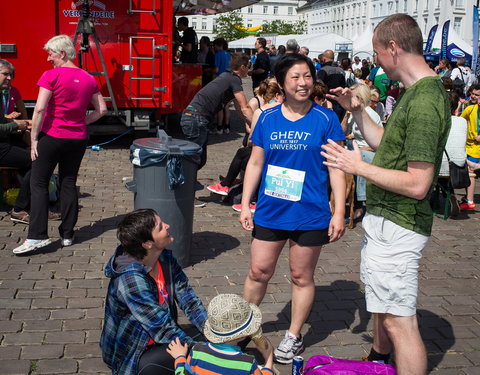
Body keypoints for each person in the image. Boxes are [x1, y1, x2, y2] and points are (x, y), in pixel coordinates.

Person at [322, 14, 450, 375]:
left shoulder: (424, 101)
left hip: (399, 225)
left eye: (378, 51)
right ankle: (380, 361)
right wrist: (359, 112)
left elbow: (418, 183)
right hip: (388, 223)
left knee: (399, 323)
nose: (376, 59)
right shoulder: (416, 92)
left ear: (393, 47)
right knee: (386, 311)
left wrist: (356, 166)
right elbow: (385, 145)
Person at [239, 53, 346, 364]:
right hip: (272, 209)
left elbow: (337, 168)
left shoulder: (326, 119)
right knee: (258, 271)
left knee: (301, 276)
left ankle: (293, 336)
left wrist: (338, 211)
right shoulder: (267, 118)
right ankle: (245, 327)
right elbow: (255, 163)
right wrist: (246, 204)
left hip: (311, 212)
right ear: (282, 83)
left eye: (307, 76)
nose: (303, 83)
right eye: (296, 77)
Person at [13, 35, 107, 255]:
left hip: (52, 136)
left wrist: (34, 138)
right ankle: (67, 234)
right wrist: (82, 121)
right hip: (77, 138)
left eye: (50, 54)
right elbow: (101, 110)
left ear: (62, 53)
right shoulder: (88, 78)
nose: (48, 58)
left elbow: (39, 109)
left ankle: (37, 236)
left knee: (38, 183)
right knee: (68, 181)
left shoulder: (51, 76)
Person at [100, 209, 208, 375]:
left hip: (161, 338)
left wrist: (211, 330)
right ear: (147, 244)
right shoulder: (130, 280)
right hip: (136, 351)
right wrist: (206, 353)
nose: (167, 225)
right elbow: (162, 327)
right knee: (210, 356)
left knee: (230, 336)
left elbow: (188, 300)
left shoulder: (164, 258)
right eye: (160, 227)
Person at [180, 53, 254, 201]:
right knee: (195, 160)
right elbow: (245, 106)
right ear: (242, 67)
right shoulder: (234, 79)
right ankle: (185, 194)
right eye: (249, 67)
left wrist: (249, 125)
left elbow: (239, 109)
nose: (249, 70)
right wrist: (259, 128)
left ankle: (184, 189)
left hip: (193, 117)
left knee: (199, 159)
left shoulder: (228, 77)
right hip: (196, 118)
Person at [207, 79, 284, 212]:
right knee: (245, 154)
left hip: (272, 153)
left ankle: (234, 189)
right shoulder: (268, 107)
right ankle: (232, 188)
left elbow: (253, 137)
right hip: (270, 150)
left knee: (247, 155)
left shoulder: (264, 110)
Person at [167, 293, 274, 375]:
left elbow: (182, 373)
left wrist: (180, 357)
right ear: (243, 336)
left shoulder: (197, 351)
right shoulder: (247, 364)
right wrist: (268, 362)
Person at [341, 83, 383, 221]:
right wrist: (346, 117)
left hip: (369, 152)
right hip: (354, 148)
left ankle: (360, 203)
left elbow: (381, 143)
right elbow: (342, 133)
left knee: (361, 158)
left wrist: (365, 148)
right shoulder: (352, 112)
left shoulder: (371, 115)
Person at [438, 91, 467, 214]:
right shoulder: (462, 121)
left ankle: (427, 200)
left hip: (443, 166)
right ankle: (450, 194)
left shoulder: (438, 120)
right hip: (459, 165)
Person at [459, 83, 480, 210]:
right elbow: (459, 122)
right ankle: (469, 200)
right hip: (471, 148)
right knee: (471, 172)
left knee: (472, 171)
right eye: (473, 94)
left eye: (477, 95)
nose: (474, 97)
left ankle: (469, 200)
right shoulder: (470, 109)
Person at [317, 49, 347, 121]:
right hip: (339, 102)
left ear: (324, 59)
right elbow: (344, 86)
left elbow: (318, 88)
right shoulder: (341, 71)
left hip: (326, 103)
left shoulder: (322, 71)